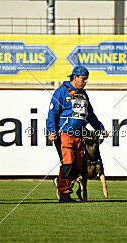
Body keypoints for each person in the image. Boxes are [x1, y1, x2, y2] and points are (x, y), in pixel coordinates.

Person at [47, 65, 107, 203]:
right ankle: (64, 194)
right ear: (75, 77)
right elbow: (53, 113)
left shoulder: (83, 94)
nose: (85, 82)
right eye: (83, 79)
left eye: (86, 79)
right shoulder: (61, 92)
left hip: (79, 135)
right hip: (65, 133)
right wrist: (52, 130)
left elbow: (90, 115)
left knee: (78, 166)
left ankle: (60, 183)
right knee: (68, 162)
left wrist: (100, 128)